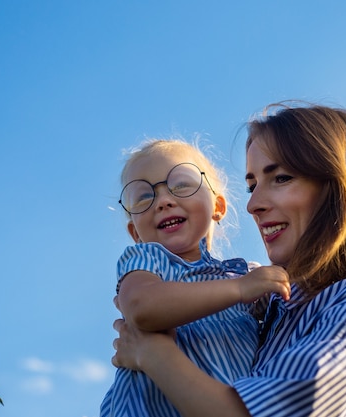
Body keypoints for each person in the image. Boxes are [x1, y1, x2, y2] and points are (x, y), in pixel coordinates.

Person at [109, 104, 346, 417]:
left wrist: (151, 352)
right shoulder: (274, 308)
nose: (253, 204)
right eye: (252, 184)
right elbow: (144, 304)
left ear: (338, 187)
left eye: (280, 178)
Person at [100, 139, 291, 417]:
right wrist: (240, 288)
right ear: (135, 233)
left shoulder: (245, 275)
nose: (163, 201)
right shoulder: (149, 261)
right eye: (142, 197)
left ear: (218, 206)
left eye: (181, 184)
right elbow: (141, 307)